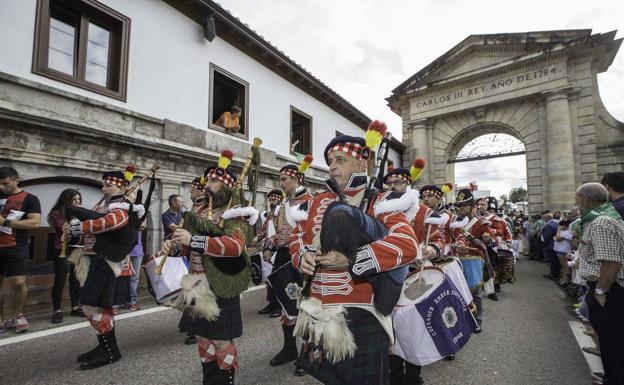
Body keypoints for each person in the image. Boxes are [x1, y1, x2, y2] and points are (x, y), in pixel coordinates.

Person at [290, 131, 419, 385]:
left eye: (340, 159)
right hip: (317, 310)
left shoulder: (382, 201)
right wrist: (301, 255)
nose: (333, 167)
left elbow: (408, 245)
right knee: (328, 379)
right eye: (330, 162)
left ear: (362, 162)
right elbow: (297, 238)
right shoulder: (315, 203)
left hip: (361, 312)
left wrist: (353, 259)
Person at [165, 150, 258, 385]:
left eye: (214, 181)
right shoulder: (198, 211)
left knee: (221, 340)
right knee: (202, 337)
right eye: (208, 180)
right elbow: (187, 248)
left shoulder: (237, 213)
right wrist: (175, 246)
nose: (208, 184)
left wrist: (193, 240)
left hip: (221, 283)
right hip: (196, 283)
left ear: (226, 186)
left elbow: (235, 246)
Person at [66, 165, 145, 370]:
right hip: (99, 258)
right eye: (104, 183)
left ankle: (109, 350)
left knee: (90, 307)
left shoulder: (123, 205)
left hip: (109, 261)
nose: (104, 187)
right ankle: (106, 348)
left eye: (108, 184)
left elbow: (111, 223)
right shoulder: (107, 202)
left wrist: (80, 226)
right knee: (102, 308)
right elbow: (99, 224)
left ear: (121, 186)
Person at [382, 169, 445, 385]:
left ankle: (412, 377)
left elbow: (439, 240)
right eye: (389, 182)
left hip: (415, 275)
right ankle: (394, 374)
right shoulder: (379, 209)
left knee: (413, 330)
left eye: (398, 182)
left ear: (408, 184)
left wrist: (432, 250)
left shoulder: (424, 211)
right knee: (389, 328)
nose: (393, 186)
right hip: (386, 276)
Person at [264, 155, 314, 376]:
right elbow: (280, 231)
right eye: (280, 179)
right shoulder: (283, 203)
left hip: (303, 258)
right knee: (287, 302)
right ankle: (289, 348)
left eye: (284, 179)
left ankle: (308, 353)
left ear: (297, 179)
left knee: (306, 306)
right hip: (284, 256)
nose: (281, 183)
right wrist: (270, 246)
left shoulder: (311, 201)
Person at [576, 182, 624, 385]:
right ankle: (611, 377)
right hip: (607, 289)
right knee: (608, 340)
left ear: (586, 200)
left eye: (577, 200)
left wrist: (600, 291)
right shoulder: (602, 218)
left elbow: (611, 262)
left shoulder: (601, 222)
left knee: (613, 341)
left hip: (610, 291)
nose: (576, 204)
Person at [0, 167, 41, 334]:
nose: (1, 187)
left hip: (16, 245)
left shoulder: (30, 199)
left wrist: (5, 222)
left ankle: (18, 314)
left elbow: (35, 223)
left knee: (18, 282)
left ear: (17, 180)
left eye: (5, 183)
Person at [48, 188, 83, 324]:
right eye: (74, 200)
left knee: (76, 280)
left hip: (77, 249)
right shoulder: (57, 213)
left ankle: (75, 306)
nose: (77, 202)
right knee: (60, 280)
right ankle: (57, 310)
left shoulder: (79, 212)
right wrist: (75, 216)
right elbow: (64, 228)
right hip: (61, 249)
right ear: (66, 200)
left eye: (79, 200)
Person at [256, 189, 283, 317]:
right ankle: (271, 303)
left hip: (278, 249)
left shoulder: (282, 212)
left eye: (275, 198)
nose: (273, 201)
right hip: (267, 248)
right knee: (268, 279)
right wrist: (258, 237)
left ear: (280, 199)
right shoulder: (267, 215)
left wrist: (271, 246)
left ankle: (279, 305)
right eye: (271, 199)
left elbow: (281, 232)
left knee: (278, 278)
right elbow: (265, 231)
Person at [553, 220, 573, 285]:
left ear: (564, 225)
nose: (559, 227)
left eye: (560, 225)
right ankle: (564, 278)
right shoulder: (563, 232)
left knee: (565, 266)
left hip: (563, 250)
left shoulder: (567, 232)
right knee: (563, 266)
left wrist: (558, 230)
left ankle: (565, 279)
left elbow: (558, 238)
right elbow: (556, 238)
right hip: (560, 250)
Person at [541, 213, 560, 280]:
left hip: (550, 244)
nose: (544, 219)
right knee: (555, 260)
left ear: (548, 218)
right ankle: (556, 273)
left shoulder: (549, 225)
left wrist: (544, 243)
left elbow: (547, 236)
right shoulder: (556, 223)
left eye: (544, 218)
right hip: (554, 244)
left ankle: (553, 273)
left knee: (552, 260)